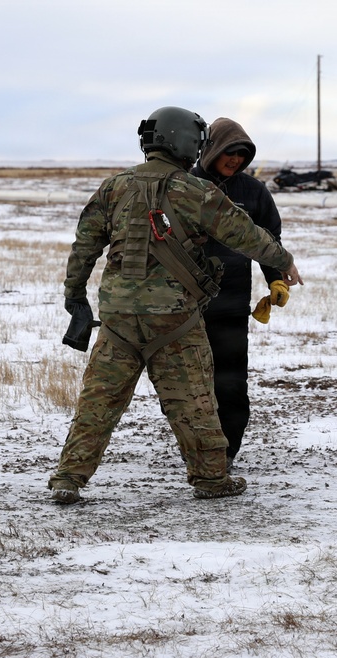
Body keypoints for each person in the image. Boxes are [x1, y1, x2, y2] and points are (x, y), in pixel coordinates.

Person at [48, 106, 302, 504]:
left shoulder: (113, 187)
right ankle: (212, 479)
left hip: (117, 320)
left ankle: (68, 479)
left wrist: (75, 296)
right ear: (187, 142)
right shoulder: (197, 191)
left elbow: (84, 247)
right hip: (176, 322)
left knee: (98, 402)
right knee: (195, 404)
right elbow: (246, 234)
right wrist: (282, 261)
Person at [189, 117, 291, 470]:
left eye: (242, 153)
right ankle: (196, 446)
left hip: (231, 305)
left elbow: (268, 241)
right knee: (187, 384)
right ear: (211, 149)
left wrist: (276, 279)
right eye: (229, 152)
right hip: (184, 307)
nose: (235, 159)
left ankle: (226, 452)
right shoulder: (184, 186)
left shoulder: (253, 192)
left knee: (230, 383)